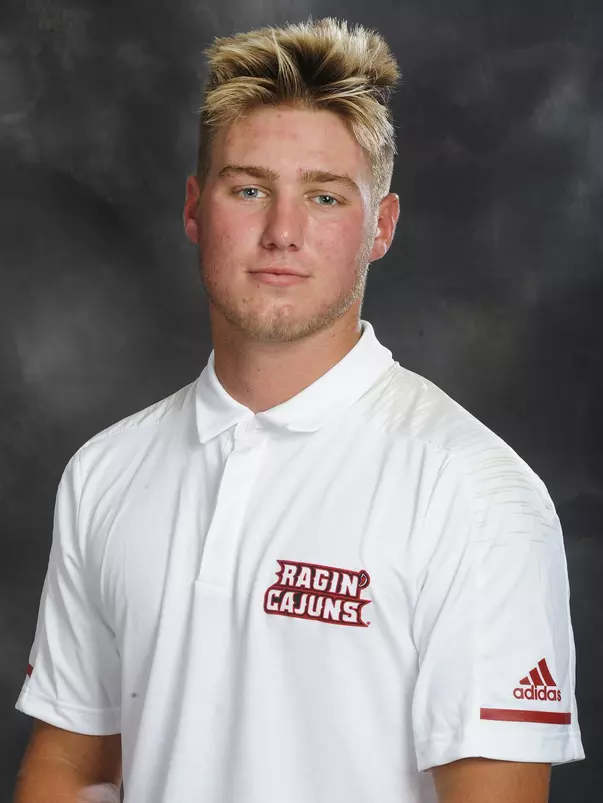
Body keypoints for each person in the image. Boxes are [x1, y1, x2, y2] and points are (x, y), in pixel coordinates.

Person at [13, 16, 584, 803]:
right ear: (193, 208)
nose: (282, 232)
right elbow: (70, 764)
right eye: (248, 189)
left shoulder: (475, 493)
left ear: (378, 227)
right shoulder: (105, 471)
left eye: (323, 196)